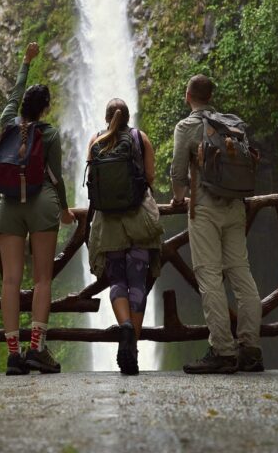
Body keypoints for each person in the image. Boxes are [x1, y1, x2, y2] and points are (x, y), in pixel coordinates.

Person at [170, 74, 264, 374]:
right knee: (241, 274)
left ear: (188, 96)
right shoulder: (232, 124)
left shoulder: (187, 127)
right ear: (211, 96)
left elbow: (177, 172)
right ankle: (250, 349)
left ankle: (223, 351)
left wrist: (178, 198)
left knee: (209, 276)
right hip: (236, 206)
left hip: (205, 208)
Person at [0, 42, 73, 375]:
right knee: (42, 280)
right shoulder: (50, 134)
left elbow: (13, 95)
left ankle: (13, 355)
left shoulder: (8, 121)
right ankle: (36, 350)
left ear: (23, 105)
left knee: (10, 280)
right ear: (46, 108)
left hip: (9, 206)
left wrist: (25, 63)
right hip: (42, 206)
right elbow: (55, 177)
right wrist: (66, 210)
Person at [85, 98, 164, 375]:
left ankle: (125, 327)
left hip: (109, 225)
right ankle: (134, 349)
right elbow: (151, 177)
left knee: (117, 279)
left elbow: (91, 182)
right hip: (139, 221)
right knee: (138, 282)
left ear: (107, 117)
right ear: (129, 117)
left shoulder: (96, 139)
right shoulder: (140, 138)